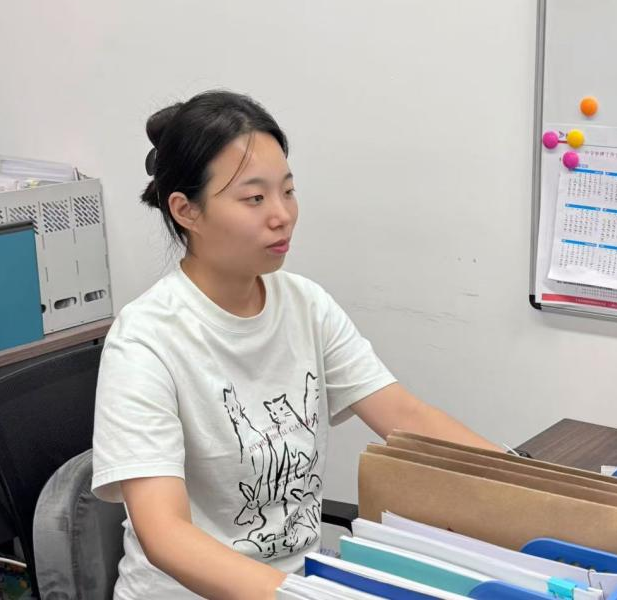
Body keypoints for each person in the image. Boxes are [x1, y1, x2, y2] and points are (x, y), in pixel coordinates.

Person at [91, 90, 502, 600]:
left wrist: (535, 486)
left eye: (288, 191)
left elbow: (406, 417)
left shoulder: (306, 305)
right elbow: (166, 536)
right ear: (186, 210)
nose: (282, 214)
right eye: (254, 198)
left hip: (298, 585)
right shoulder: (145, 340)